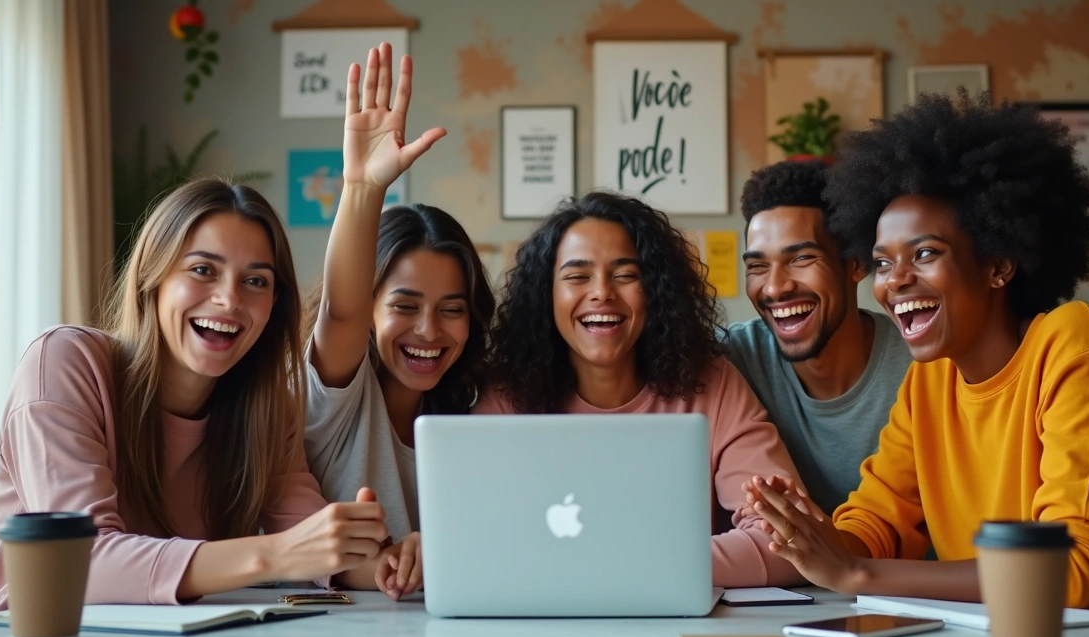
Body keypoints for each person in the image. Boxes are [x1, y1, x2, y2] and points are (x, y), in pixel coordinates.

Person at [743, 90, 1089, 637]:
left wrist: (857, 571)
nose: (895, 281)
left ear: (998, 264)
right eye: (885, 262)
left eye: (926, 254)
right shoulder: (929, 381)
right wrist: (813, 537)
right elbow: (875, 524)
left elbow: (1074, 572)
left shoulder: (1074, 342)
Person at [0, 178, 391, 611]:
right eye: (203, 270)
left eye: (256, 281)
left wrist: (391, 564)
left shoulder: (265, 410)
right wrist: (277, 553)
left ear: (275, 305)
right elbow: (76, 559)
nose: (228, 299)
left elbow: (316, 548)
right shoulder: (64, 362)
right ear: (152, 276)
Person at [477, 191, 807, 588]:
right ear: (546, 296)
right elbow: (470, 538)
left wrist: (624, 566)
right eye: (577, 276)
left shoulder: (712, 384)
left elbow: (788, 540)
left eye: (625, 275)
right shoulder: (504, 397)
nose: (602, 292)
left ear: (655, 291)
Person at [302, 44, 493, 601]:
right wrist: (363, 189)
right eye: (404, 306)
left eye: (452, 309)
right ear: (371, 309)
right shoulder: (339, 393)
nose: (429, 331)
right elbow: (341, 309)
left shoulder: (473, 406)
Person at [726, 160, 912, 516]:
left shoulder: (924, 365)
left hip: (913, 571)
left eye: (801, 258)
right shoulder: (733, 359)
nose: (775, 287)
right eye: (758, 266)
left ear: (857, 263)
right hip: (784, 568)